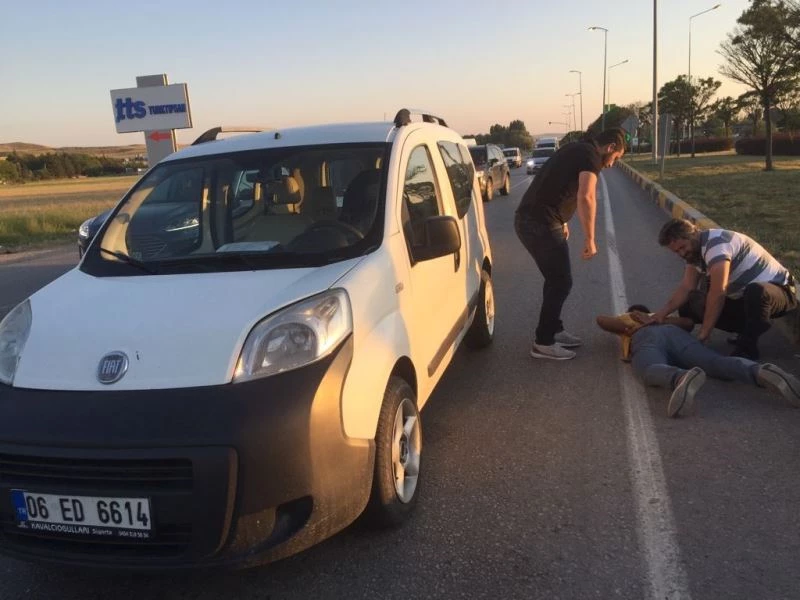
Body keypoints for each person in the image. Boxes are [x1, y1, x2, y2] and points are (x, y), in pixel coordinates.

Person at [515, 128, 626, 361]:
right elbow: (586, 196)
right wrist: (590, 239)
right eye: (616, 158)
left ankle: (553, 330)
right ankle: (543, 342)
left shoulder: (575, 149)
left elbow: (556, 185)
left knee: (555, 280)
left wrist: (563, 220)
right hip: (539, 222)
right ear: (610, 148)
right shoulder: (591, 157)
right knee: (561, 281)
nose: (612, 164)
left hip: (533, 219)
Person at [597, 305, 800, 418]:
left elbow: (601, 320)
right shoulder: (662, 318)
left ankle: (680, 377)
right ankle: (758, 371)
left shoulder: (629, 318)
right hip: (675, 334)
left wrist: (629, 321)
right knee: (715, 362)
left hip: (647, 339)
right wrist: (662, 319)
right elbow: (688, 323)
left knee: (649, 369)